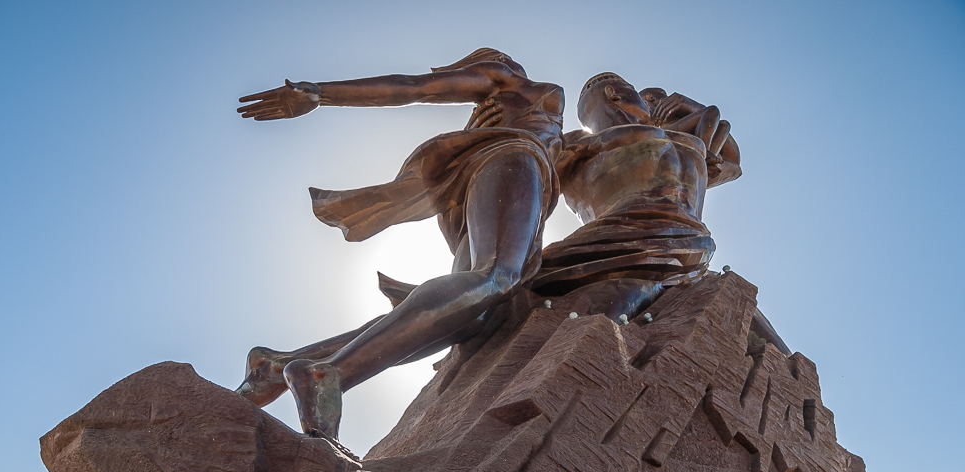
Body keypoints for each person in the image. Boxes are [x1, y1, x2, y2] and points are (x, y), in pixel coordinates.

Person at [234, 49, 564, 439]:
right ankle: (329, 374)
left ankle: (277, 366)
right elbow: (414, 87)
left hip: (506, 187)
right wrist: (319, 93)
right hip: (513, 161)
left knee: (471, 315)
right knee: (496, 277)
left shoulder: (512, 114)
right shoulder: (511, 80)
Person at [525, 73, 741, 316]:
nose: (645, 99)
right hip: (618, 250)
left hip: (688, 253)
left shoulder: (678, 139)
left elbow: (733, 163)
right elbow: (526, 183)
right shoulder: (576, 144)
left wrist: (689, 105)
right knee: (609, 311)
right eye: (633, 90)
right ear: (613, 93)